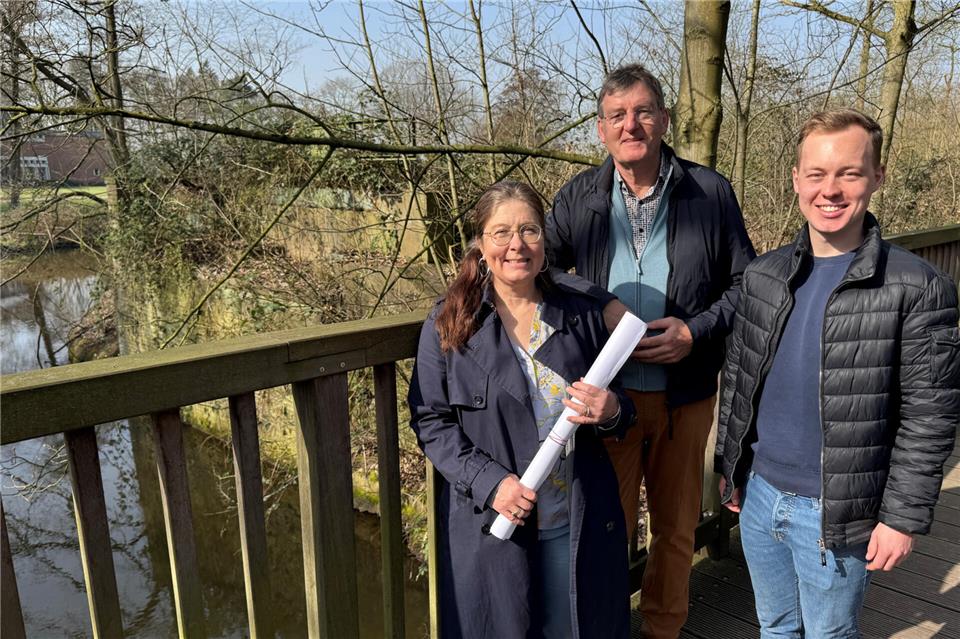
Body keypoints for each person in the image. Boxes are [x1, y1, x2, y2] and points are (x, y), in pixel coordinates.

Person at [716, 108, 959, 638]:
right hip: (759, 494)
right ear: (797, 180)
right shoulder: (764, 275)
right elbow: (738, 379)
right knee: (775, 626)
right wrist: (730, 467)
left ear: (877, 177)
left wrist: (901, 517)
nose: (831, 189)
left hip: (838, 509)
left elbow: (930, 415)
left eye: (849, 173)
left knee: (829, 634)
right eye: (818, 174)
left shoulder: (917, 287)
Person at [545, 63, 755, 638]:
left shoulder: (709, 193)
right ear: (600, 128)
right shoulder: (579, 197)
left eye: (642, 112)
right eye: (617, 115)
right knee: (604, 527)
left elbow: (748, 285)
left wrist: (696, 330)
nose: (630, 124)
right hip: (606, 401)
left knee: (676, 527)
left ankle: (662, 630)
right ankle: (607, 627)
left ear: (663, 120)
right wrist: (600, 308)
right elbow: (541, 273)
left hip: (685, 398)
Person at [408, 181, 636, 639]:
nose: (517, 245)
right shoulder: (450, 324)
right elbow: (430, 421)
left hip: (573, 521)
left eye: (529, 230)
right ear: (480, 244)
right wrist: (490, 483)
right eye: (502, 232)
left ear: (545, 240)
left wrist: (610, 408)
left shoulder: (578, 314)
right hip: (495, 522)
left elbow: (623, 410)